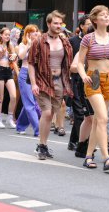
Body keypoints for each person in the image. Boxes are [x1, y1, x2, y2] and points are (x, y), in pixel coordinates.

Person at [77, 5, 109, 171]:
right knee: (103, 118)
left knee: (98, 121)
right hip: (93, 78)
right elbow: (79, 62)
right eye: (102, 16)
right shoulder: (88, 39)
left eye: (107, 15)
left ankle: (88, 156)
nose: (106, 18)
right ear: (95, 20)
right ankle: (106, 157)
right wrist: (83, 75)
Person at [28, 10, 73, 160]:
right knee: (46, 113)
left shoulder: (65, 42)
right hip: (43, 81)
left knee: (51, 114)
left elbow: (69, 63)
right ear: (48, 24)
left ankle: (43, 145)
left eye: (61, 23)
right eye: (56, 23)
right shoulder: (39, 41)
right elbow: (31, 64)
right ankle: (41, 144)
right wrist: (34, 83)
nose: (59, 26)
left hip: (59, 82)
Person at [68, 15, 92, 150]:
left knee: (85, 114)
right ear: (81, 26)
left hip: (90, 79)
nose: (90, 27)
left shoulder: (94, 42)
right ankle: (82, 142)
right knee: (79, 112)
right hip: (75, 79)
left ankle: (74, 140)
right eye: (88, 24)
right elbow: (70, 64)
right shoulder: (73, 41)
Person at [16, 24, 40, 136]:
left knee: (32, 102)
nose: (36, 33)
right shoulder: (22, 44)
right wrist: (28, 45)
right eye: (33, 31)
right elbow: (20, 56)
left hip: (36, 74)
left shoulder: (40, 44)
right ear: (28, 33)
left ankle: (20, 125)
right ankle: (38, 129)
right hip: (25, 73)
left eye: (36, 31)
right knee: (30, 103)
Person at [0, 27, 18, 128]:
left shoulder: (10, 44)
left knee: (13, 96)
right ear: (1, 35)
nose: (7, 36)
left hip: (8, 71)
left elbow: (14, 56)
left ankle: (10, 117)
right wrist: (1, 52)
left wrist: (14, 56)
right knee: (0, 97)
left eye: (8, 35)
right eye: (6, 34)